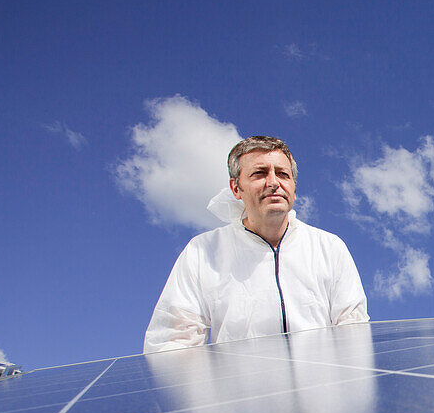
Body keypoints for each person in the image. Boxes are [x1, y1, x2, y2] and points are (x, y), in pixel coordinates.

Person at [144, 136, 369, 353]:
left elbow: (353, 330)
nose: (273, 182)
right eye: (259, 173)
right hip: (239, 392)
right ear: (235, 188)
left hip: (323, 389)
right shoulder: (203, 252)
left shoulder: (328, 247)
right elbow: (172, 343)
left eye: (283, 174)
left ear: (293, 187)